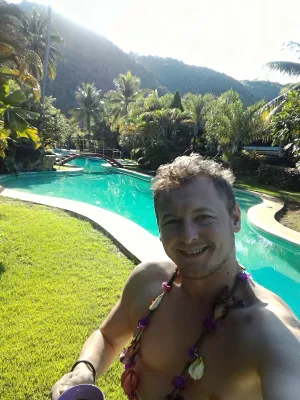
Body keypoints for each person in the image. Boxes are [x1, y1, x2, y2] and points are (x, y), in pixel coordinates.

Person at [52, 154, 300, 400]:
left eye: (203, 217)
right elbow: (107, 337)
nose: (188, 236)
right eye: (172, 222)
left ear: (234, 218)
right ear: (159, 227)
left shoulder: (271, 334)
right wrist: (85, 369)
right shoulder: (149, 282)